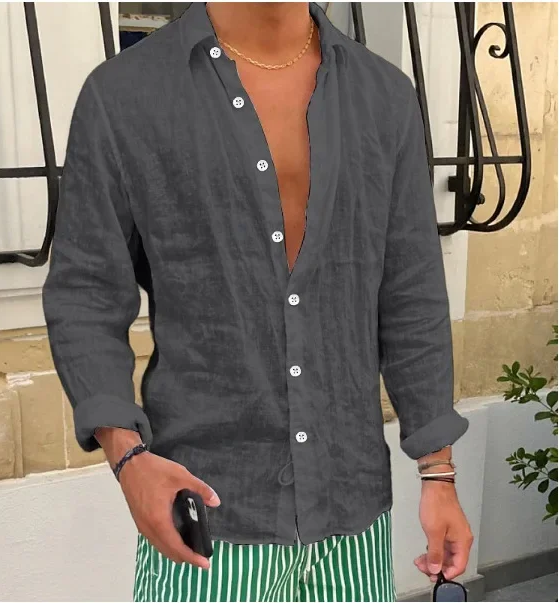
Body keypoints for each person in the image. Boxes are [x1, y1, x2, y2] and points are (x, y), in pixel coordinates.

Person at [42, 2, 473, 601]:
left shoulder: (385, 97)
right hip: (208, 519)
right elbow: (86, 292)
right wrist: (128, 458)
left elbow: (411, 293)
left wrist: (438, 472)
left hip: (351, 518)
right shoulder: (125, 95)